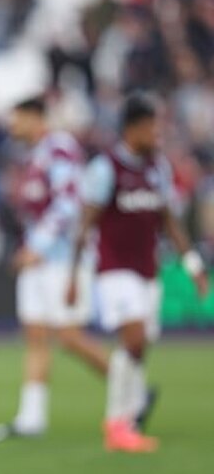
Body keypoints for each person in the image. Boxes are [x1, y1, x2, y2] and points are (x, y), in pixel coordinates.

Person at [67, 93, 208, 452]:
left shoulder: (157, 168)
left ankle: (129, 420)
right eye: (151, 127)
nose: (157, 134)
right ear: (132, 129)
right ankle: (116, 423)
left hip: (148, 270)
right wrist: (72, 276)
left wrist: (192, 264)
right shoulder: (106, 168)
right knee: (133, 339)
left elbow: (169, 221)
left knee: (140, 347)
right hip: (115, 269)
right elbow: (85, 225)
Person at [0, 97, 109, 441]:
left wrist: (37, 247)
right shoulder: (33, 154)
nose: (12, 126)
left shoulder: (60, 148)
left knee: (69, 336)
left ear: (35, 117)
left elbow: (69, 203)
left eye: (17, 119)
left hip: (62, 257)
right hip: (39, 257)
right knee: (36, 335)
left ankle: (131, 390)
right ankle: (32, 418)